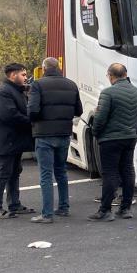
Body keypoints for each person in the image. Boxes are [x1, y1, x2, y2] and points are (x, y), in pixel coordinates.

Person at [28, 57, 83, 223]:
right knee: (61, 171)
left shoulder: (37, 85)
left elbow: (33, 110)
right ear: (58, 67)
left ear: (44, 68)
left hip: (44, 135)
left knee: (46, 174)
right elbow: (78, 110)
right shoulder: (71, 84)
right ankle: (64, 207)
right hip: (64, 133)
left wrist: (35, 121)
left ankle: (47, 214)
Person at [90, 63, 137, 221]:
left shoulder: (108, 93)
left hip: (110, 139)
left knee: (110, 173)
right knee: (128, 171)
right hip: (130, 137)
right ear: (125, 75)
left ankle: (105, 211)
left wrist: (95, 132)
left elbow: (100, 118)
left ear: (110, 76)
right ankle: (125, 209)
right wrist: (134, 133)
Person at [0, 63, 35, 218]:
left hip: (14, 140)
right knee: (3, 173)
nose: (26, 77)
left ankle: (14, 204)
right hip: (5, 140)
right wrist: (31, 121)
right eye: (23, 74)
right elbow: (9, 115)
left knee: (14, 172)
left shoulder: (17, 91)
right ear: (13, 75)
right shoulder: (3, 92)